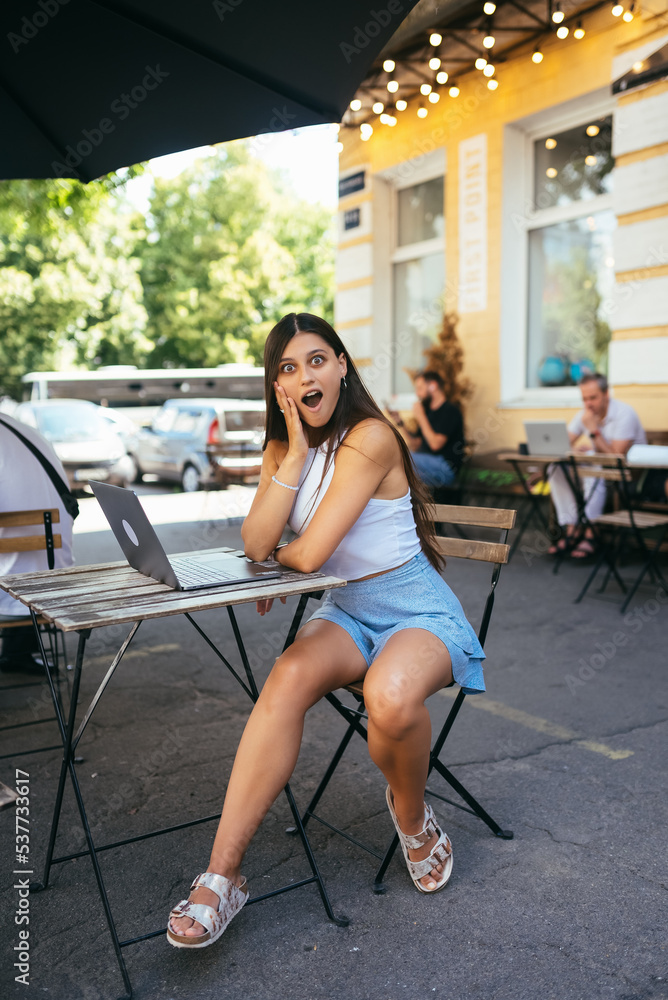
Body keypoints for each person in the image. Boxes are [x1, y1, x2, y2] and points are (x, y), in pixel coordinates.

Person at [166, 313, 485, 949]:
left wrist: (280, 560)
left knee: (389, 697)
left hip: (415, 609)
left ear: (341, 365)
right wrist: (294, 455)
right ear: (277, 384)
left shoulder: (371, 439)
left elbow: (304, 557)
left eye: (317, 360)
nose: (305, 375)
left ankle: (414, 819)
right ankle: (221, 877)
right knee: (285, 677)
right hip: (346, 612)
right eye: (288, 367)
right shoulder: (285, 449)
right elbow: (256, 540)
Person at [0, 412, 74, 674]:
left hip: (13, 590)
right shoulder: (20, 428)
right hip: (54, 579)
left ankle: (16, 653)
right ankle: (16, 654)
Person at [547, 373, 646, 558]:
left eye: (593, 398)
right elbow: (563, 443)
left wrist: (593, 431)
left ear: (606, 394)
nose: (588, 404)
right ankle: (573, 528)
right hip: (597, 476)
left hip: (627, 478)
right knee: (556, 467)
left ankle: (592, 533)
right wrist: (575, 450)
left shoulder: (624, 413)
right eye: (584, 399)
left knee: (593, 466)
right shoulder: (585, 415)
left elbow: (616, 458)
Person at [392, 371, 464, 488]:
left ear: (433, 386)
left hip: (445, 467)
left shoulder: (450, 411)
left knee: (401, 457)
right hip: (426, 465)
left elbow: (435, 444)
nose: (417, 393)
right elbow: (416, 445)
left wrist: (421, 416)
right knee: (400, 469)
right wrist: (400, 422)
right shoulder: (428, 412)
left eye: (420, 388)